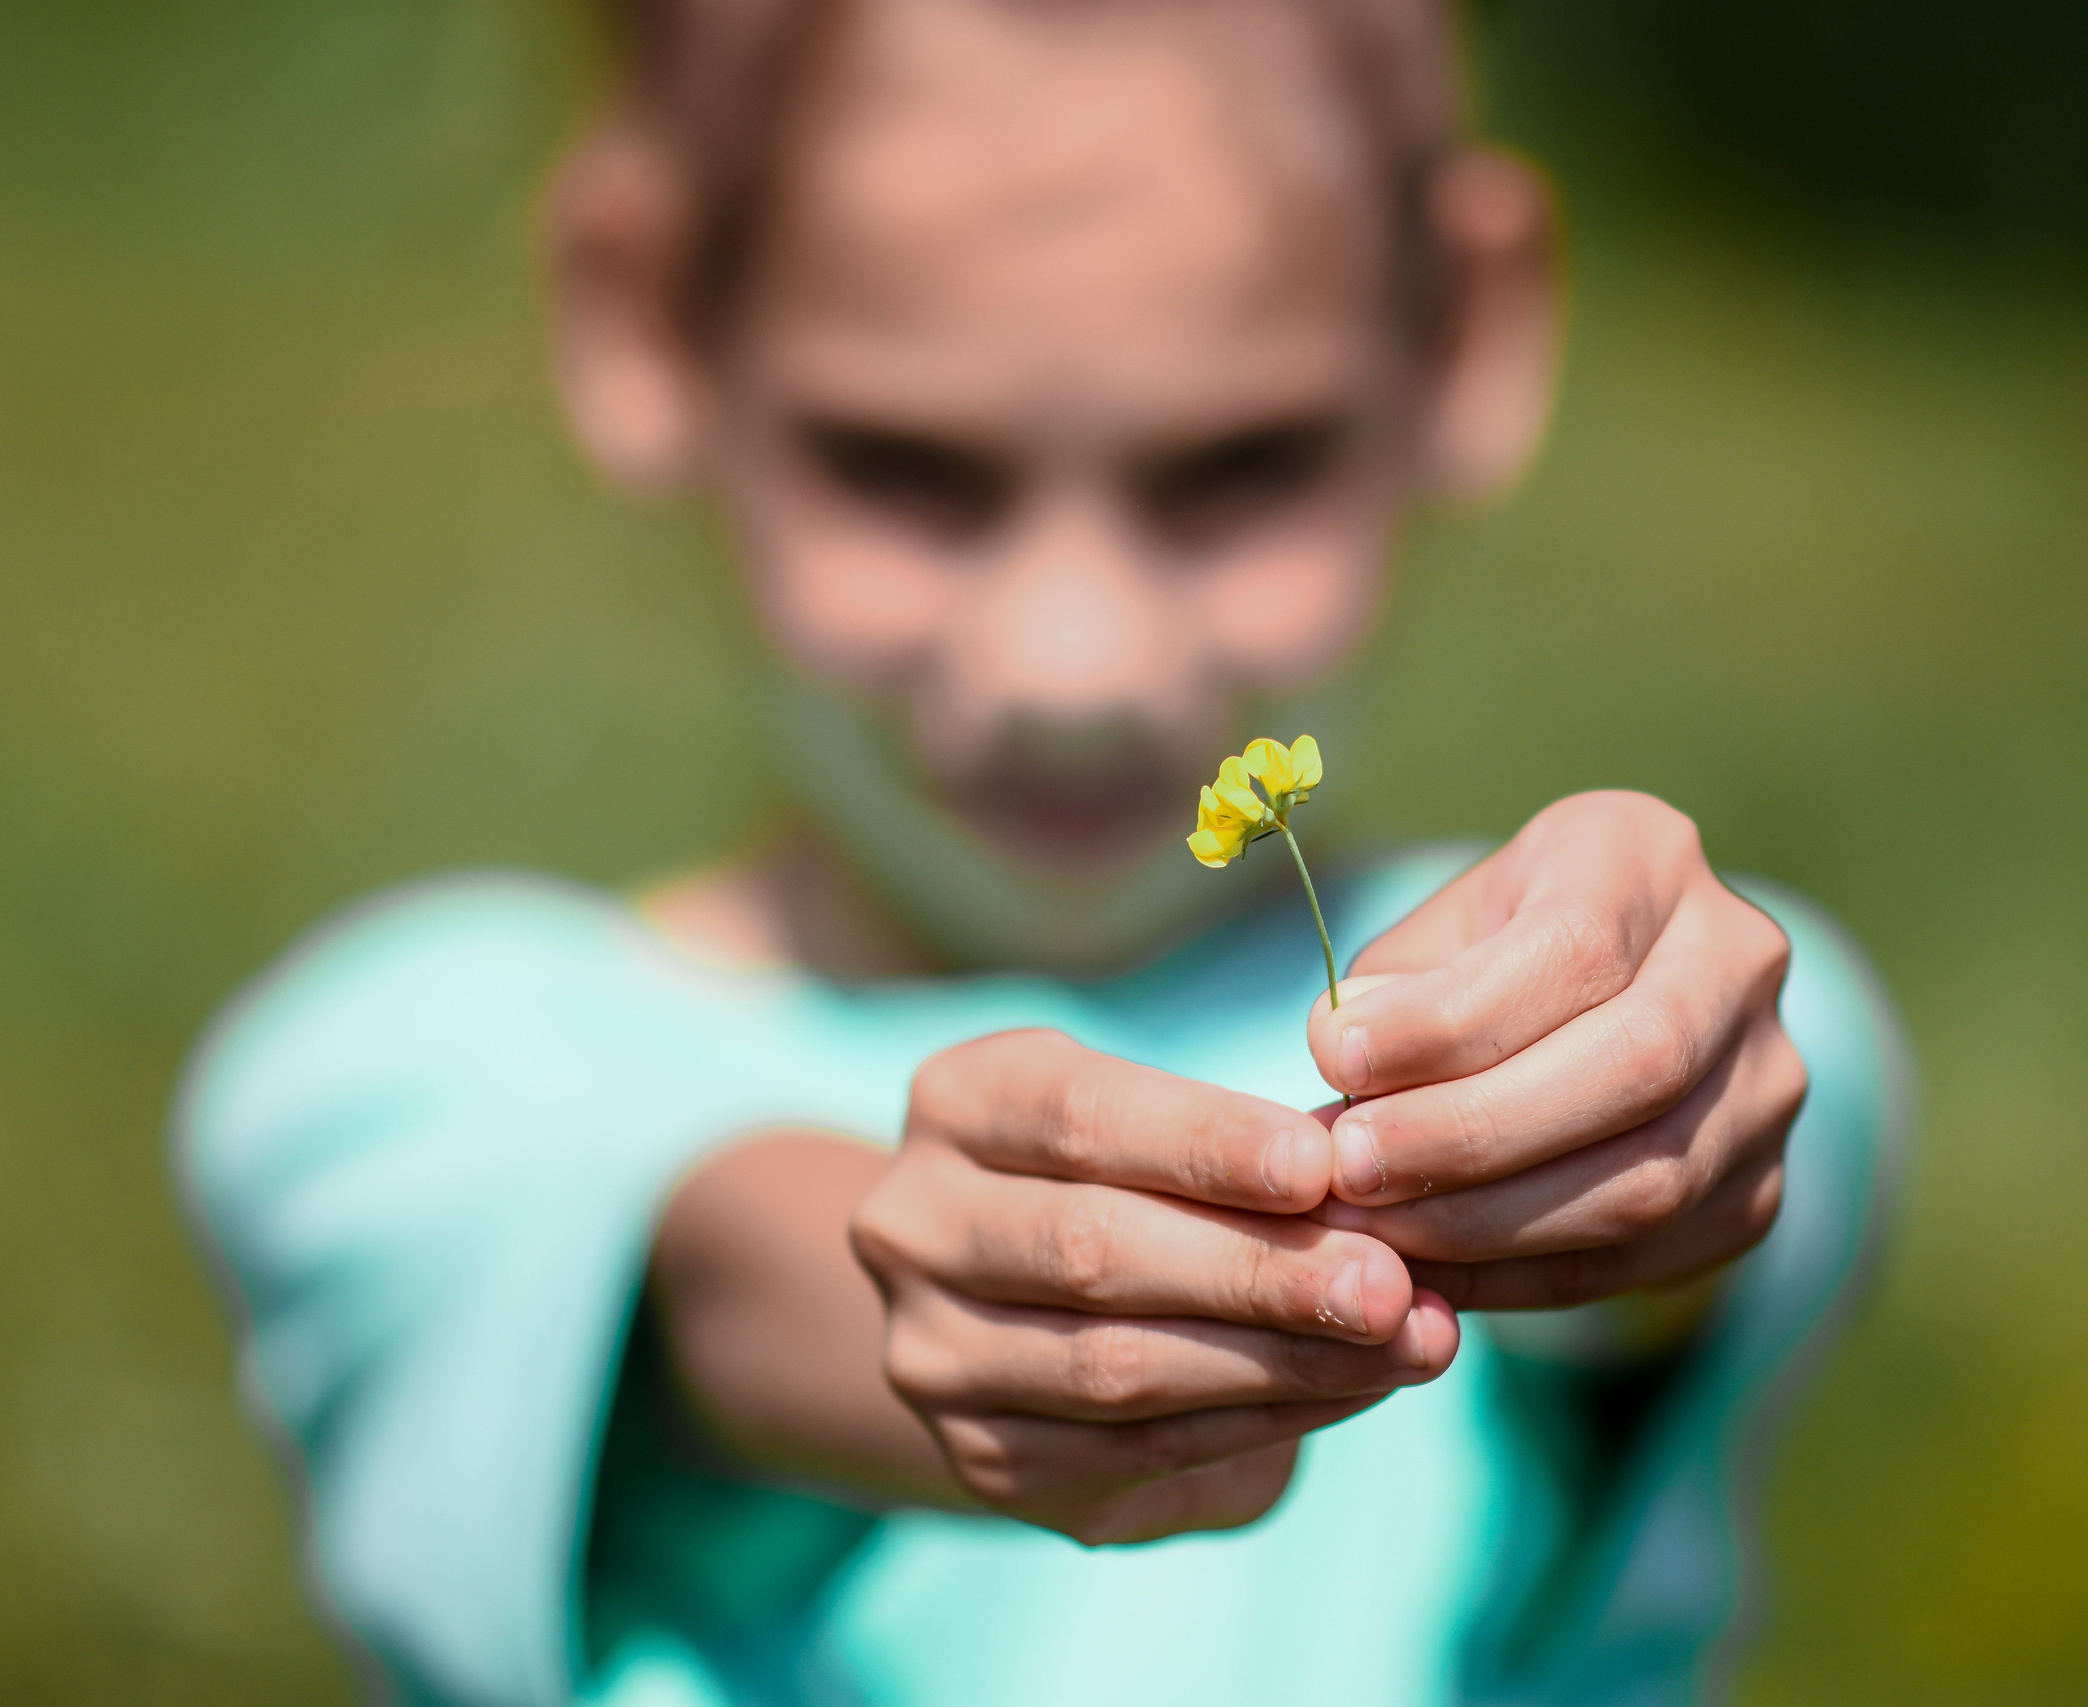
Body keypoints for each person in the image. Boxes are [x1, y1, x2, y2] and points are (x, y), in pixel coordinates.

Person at [177, 1, 1912, 1703]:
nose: (1072, 668)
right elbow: (696, 1275)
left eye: (1240, 467)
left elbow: (1732, 1169)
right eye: (903, 469)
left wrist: (1636, 1103)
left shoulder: (1699, 1011)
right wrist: (922, 1302)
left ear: (1464, 331)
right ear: (644, 323)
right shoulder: (407, 1075)